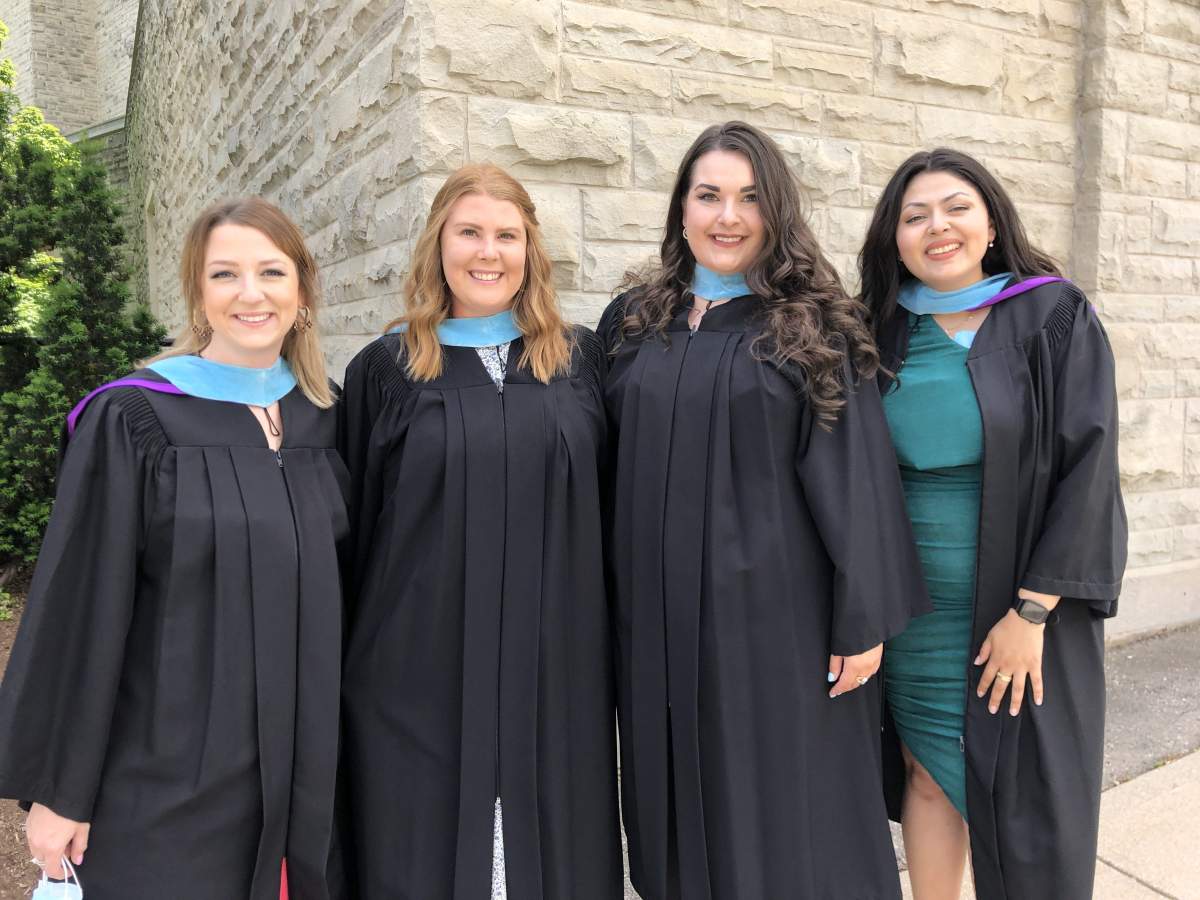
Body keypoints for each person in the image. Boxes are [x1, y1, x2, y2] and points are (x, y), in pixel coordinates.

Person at [598, 120, 929, 899]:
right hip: (655, 622)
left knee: (785, 801)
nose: (727, 217)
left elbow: (858, 474)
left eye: (748, 198)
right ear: (681, 208)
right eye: (707, 195)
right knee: (672, 795)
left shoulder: (810, 326)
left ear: (775, 212)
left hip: (779, 624)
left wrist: (864, 618)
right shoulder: (633, 323)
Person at [0, 197, 349, 900]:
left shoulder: (329, 415)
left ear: (303, 292)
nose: (250, 294)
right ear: (197, 292)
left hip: (307, 773)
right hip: (166, 767)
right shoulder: (133, 418)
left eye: (271, 272)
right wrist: (62, 790)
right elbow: (82, 607)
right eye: (224, 275)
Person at [338, 163, 621, 899]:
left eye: (506, 235)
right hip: (416, 671)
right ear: (439, 244)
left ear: (530, 250)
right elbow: (353, 528)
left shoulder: (579, 358)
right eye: (469, 233)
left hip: (557, 666)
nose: (487, 253)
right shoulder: (387, 369)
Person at [858, 148, 1127, 900]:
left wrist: (1035, 609)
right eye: (915, 216)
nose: (936, 227)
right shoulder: (878, 332)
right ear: (894, 237)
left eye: (955, 208)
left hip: (1019, 610)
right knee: (925, 770)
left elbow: (1091, 467)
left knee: (1021, 798)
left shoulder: (1052, 314)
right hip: (915, 609)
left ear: (989, 221)